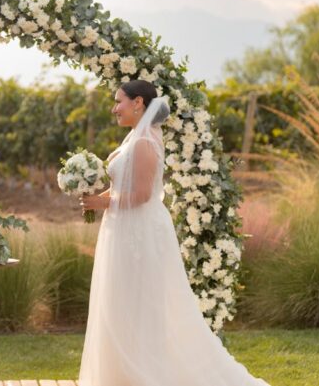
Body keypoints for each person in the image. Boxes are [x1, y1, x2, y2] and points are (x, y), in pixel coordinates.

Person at [78, 80, 269, 386]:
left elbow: (141, 195)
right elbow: (121, 187)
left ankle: (146, 375)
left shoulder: (144, 142)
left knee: (141, 304)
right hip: (122, 229)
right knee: (122, 302)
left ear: (138, 102)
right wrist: (91, 195)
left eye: (119, 102)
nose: (114, 108)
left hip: (139, 231)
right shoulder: (133, 137)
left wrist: (99, 204)